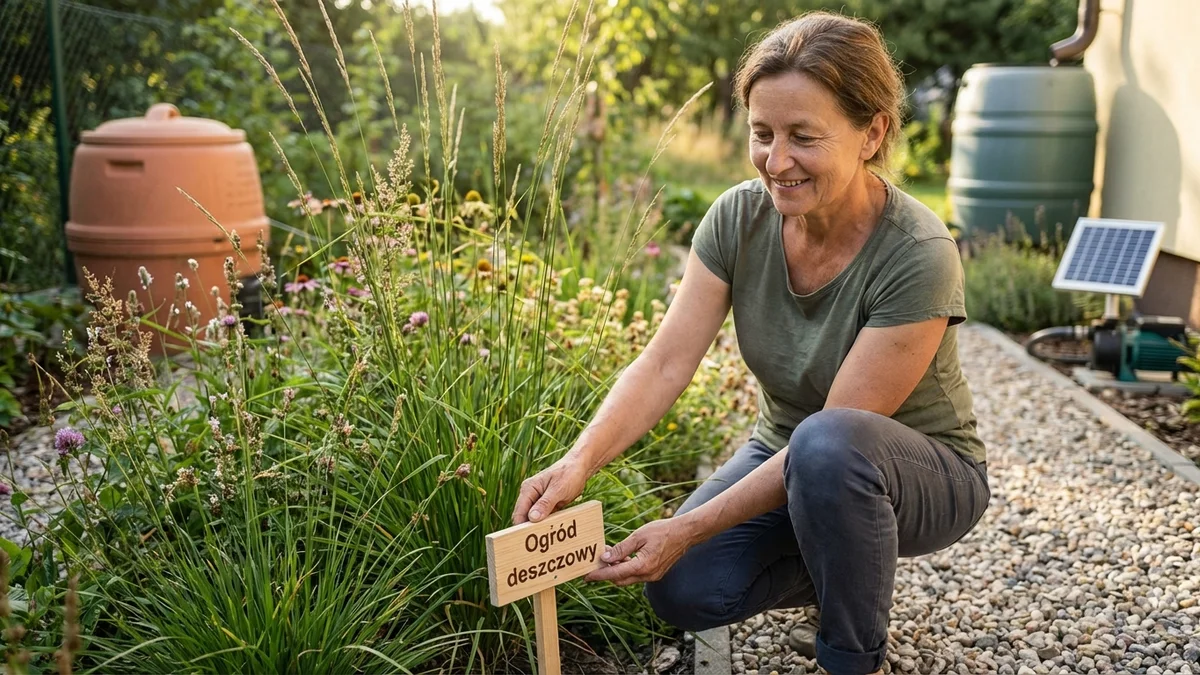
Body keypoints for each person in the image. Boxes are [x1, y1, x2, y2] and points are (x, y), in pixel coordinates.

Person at [511, 11, 990, 675]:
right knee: (680, 588)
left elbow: (836, 429)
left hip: (921, 472)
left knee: (826, 448)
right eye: (762, 133)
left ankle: (852, 656)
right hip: (789, 453)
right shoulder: (737, 218)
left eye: (804, 136)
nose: (776, 159)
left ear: (871, 131)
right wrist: (579, 461)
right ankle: (844, 561)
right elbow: (664, 362)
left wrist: (684, 528)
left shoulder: (918, 251)